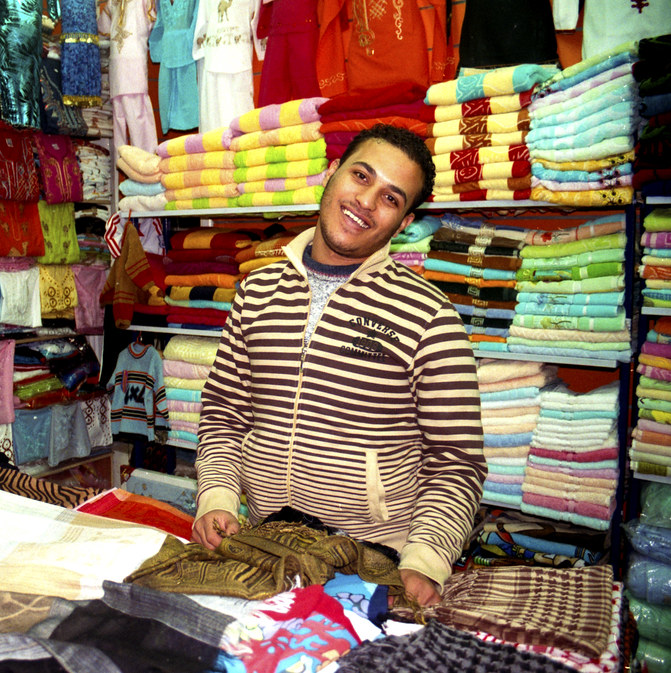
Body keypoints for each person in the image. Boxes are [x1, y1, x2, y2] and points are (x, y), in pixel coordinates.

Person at [191, 124, 486, 607]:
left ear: (406, 221)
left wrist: (426, 559)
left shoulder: (430, 317)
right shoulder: (256, 291)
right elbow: (225, 412)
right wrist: (219, 497)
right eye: (361, 176)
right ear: (332, 173)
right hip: (262, 545)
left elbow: (456, 463)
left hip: (369, 563)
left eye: (391, 198)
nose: (367, 201)